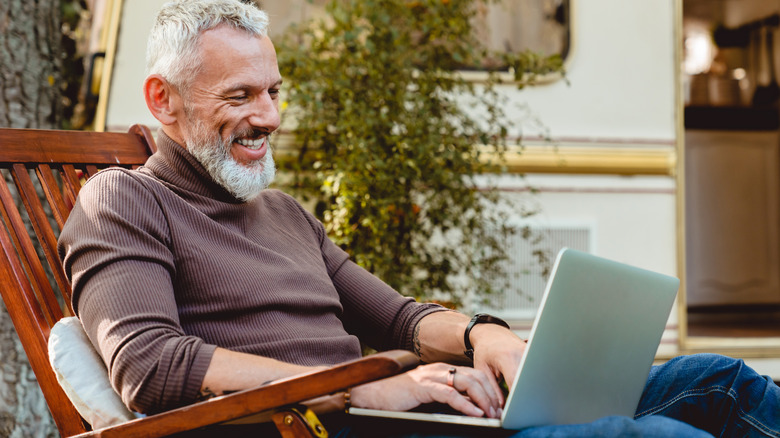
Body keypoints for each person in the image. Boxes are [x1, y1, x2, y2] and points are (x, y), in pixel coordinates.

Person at [57, 1, 779, 437]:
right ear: (164, 99)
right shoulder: (123, 204)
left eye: (275, 90)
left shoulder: (278, 211)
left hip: (407, 405)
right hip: (328, 424)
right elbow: (150, 368)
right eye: (241, 95)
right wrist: (358, 387)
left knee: (716, 379)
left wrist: (481, 336)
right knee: (648, 432)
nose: (269, 116)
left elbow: (400, 318)